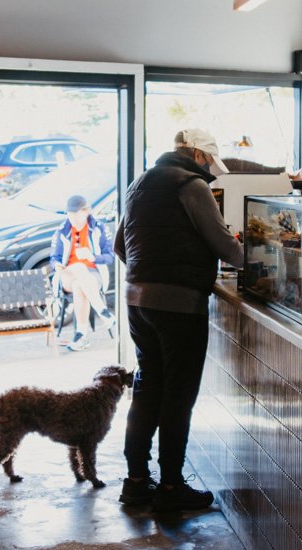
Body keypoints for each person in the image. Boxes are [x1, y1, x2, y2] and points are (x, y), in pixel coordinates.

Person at [114, 128, 244, 512]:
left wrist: (149, 271)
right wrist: (246, 254)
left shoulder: (140, 182)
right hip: (179, 303)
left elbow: (120, 245)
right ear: (199, 156)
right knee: (177, 396)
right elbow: (226, 247)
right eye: (210, 162)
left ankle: (136, 481)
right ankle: (171, 488)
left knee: (147, 387)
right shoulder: (191, 184)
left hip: (137, 301)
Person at [50, 194, 116, 351]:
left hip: (93, 274)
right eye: (69, 214)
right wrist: (57, 265)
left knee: (80, 285)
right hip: (67, 274)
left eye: (76, 213)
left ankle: (81, 336)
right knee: (79, 268)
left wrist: (93, 257)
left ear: (86, 211)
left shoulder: (99, 228)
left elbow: (110, 257)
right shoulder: (62, 231)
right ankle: (103, 311)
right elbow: (54, 258)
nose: (72, 217)